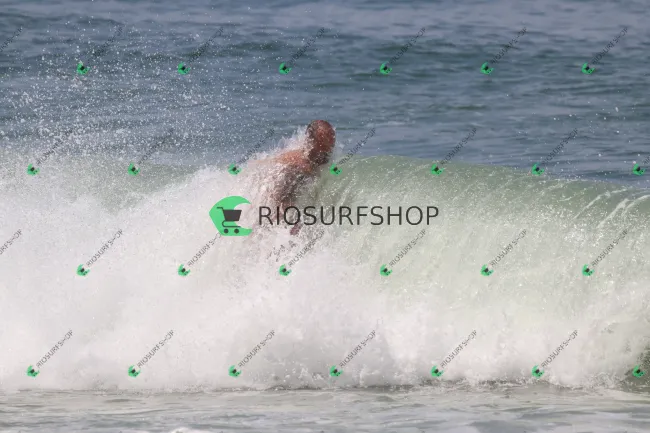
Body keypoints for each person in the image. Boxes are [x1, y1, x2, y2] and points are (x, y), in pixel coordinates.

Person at [256, 120, 336, 235]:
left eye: (331, 140)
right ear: (310, 141)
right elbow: (280, 200)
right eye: (323, 143)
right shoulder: (298, 167)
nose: (329, 147)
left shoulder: (317, 157)